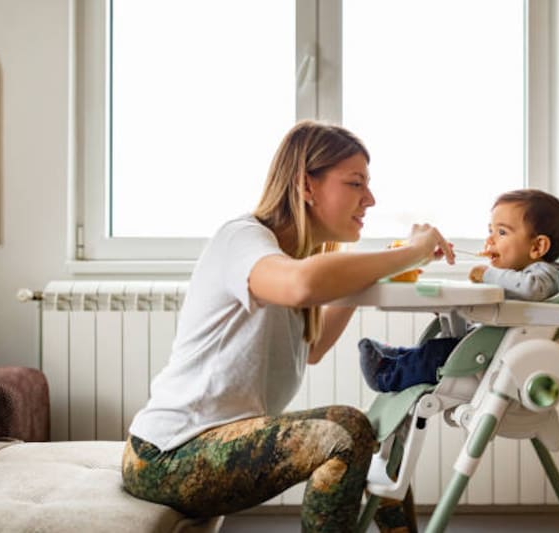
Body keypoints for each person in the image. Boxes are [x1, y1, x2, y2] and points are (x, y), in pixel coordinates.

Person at [121, 120, 455, 532]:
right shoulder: (242, 239)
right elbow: (303, 285)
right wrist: (412, 252)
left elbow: (312, 349)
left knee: (373, 437)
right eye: (355, 183)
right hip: (167, 454)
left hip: (214, 442)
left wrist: (378, 271)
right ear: (306, 185)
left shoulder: (292, 257)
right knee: (346, 430)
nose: (370, 198)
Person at [358, 189, 559, 393]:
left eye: (501, 232)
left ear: (537, 247)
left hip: (499, 358)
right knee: (436, 348)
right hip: (485, 347)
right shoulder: (513, 275)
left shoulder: (544, 271)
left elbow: (533, 289)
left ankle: (387, 374)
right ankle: (395, 356)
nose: (490, 239)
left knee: (439, 354)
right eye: (490, 231)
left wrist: (487, 274)